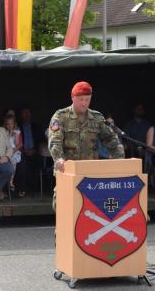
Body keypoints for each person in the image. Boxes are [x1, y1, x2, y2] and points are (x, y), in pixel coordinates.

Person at [48, 81, 125, 209]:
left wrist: (119, 160)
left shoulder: (97, 118)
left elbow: (111, 140)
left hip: (90, 173)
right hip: (67, 171)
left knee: (90, 209)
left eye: (87, 99)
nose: (84, 103)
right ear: (73, 98)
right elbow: (55, 141)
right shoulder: (61, 116)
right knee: (63, 207)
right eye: (81, 99)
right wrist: (59, 159)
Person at [17, 106, 44, 196]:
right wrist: (23, 150)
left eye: (28, 113)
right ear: (21, 115)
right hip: (22, 152)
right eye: (24, 113)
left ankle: (36, 188)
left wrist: (35, 150)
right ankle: (23, 189)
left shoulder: (36, 127)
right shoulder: (18, 128)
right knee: (22, 164)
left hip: (35, 152)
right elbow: (15, 142)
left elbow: (41, 141)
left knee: (40, 162)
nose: (27, 115)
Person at [3, 112, 26, 197]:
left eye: (11, 124)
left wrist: (14, 136)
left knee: (14, 163)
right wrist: (8, 135)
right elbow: (3, 144)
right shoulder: (4, 132)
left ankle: (11, 181)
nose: (10, 126)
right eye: (8, 124)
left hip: (15, 151)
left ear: (14, 123)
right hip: (6, 152)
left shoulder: (17, 132)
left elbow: (19, 144)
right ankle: (5, 188)